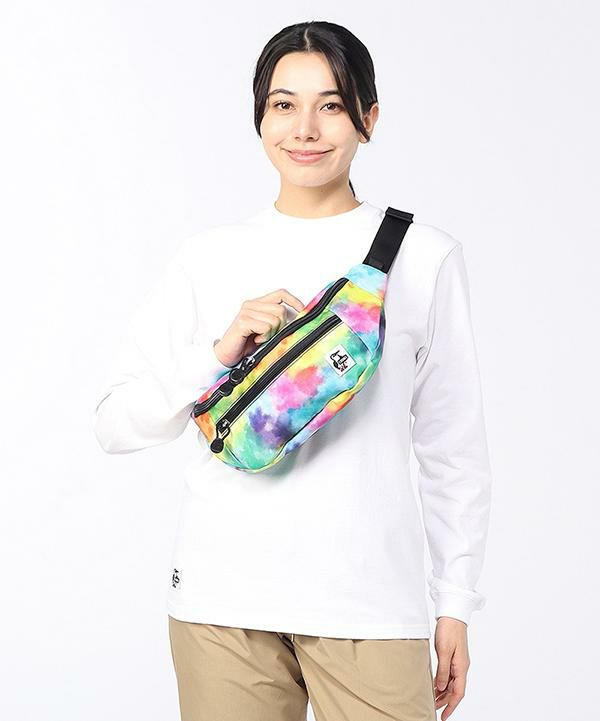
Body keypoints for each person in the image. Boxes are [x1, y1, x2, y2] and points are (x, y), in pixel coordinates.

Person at [93, 20, 493, 721]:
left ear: (368, 117)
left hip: (369, 604)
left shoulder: (424, 257)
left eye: (331, 105)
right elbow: (115, 424)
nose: (305, 128)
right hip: (222, 605)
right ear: (259, 117)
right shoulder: (209, 257)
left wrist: (454, 602)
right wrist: (217, 353)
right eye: (283, 104)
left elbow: (452, 448)